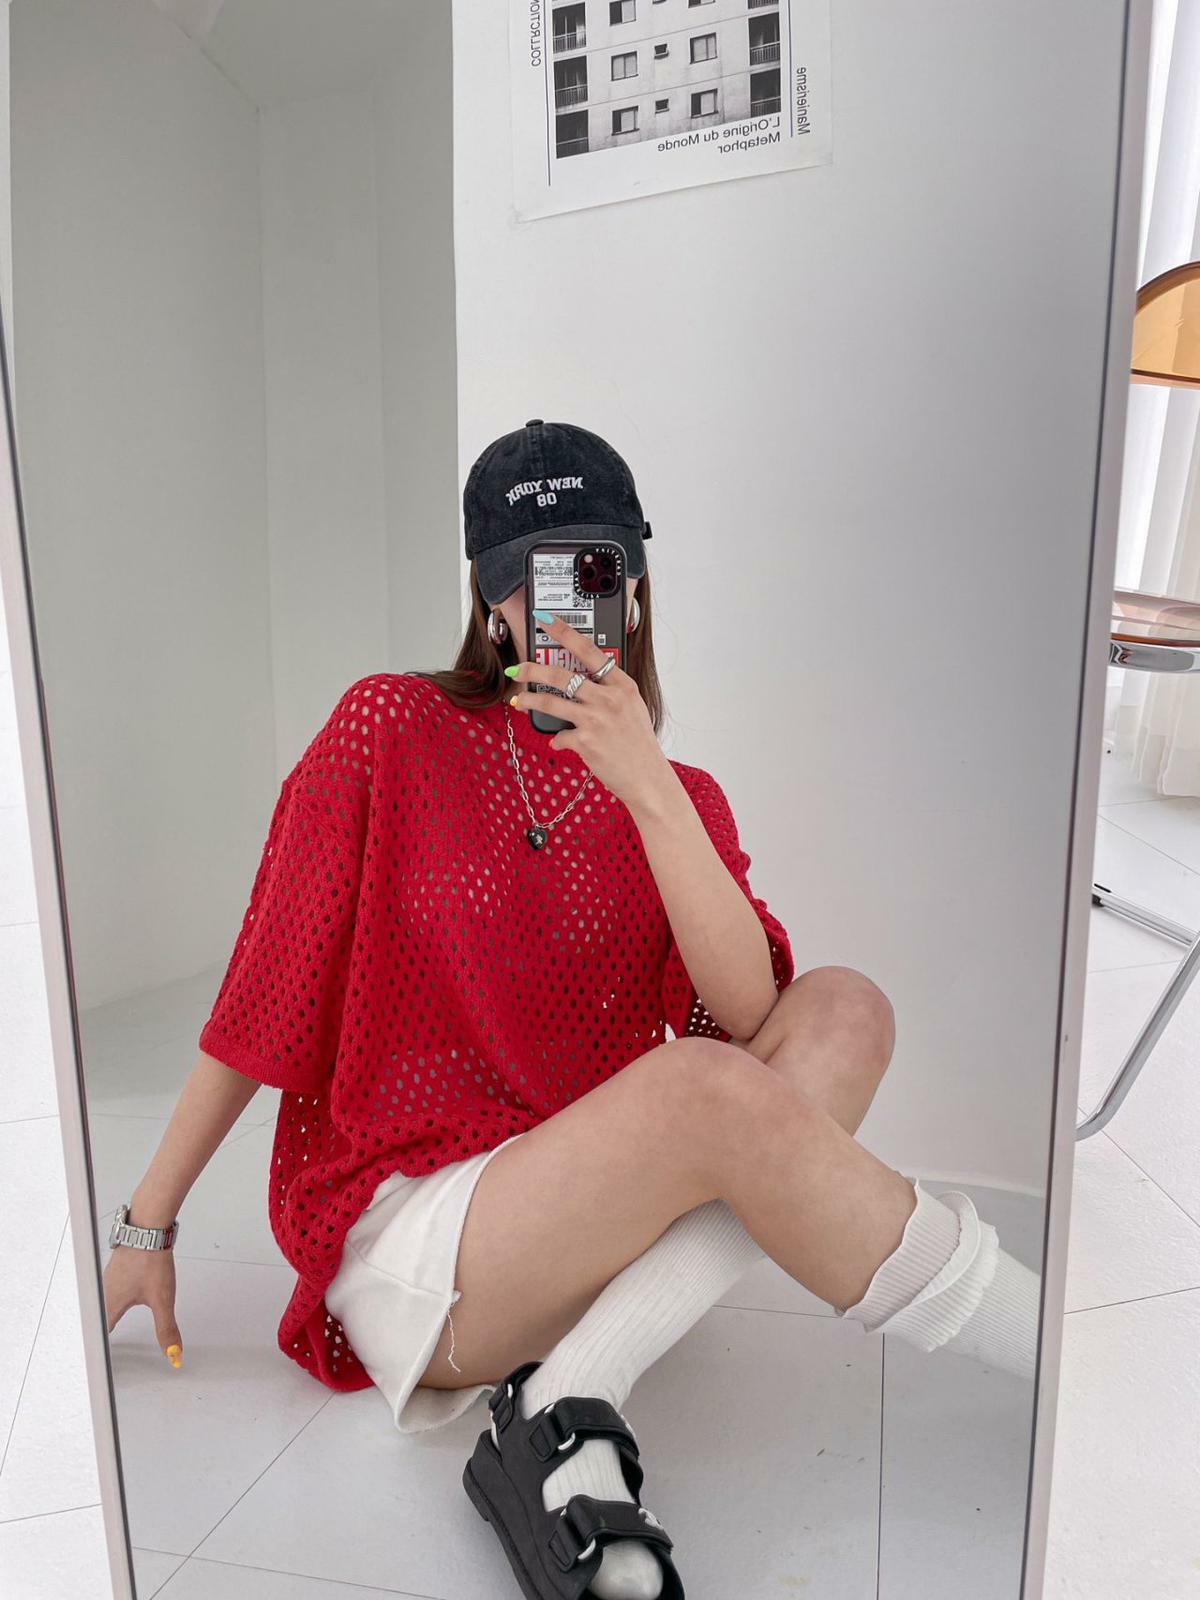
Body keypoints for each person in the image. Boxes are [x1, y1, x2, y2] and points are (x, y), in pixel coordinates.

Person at [104, 421, 1040, 1600]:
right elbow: (264, 998)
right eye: (528, 581)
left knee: (847, 1011)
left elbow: (749, 1010)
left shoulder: (679, 795)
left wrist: (649, 788)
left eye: (592, 573)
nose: (563, 612)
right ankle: (1053, 1341)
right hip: (422, 1228)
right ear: (492, 607)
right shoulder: (387, 730)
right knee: (709, 1092)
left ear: (634, 588)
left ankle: (572, 1386)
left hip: (578, 1206)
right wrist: (147, 1226)